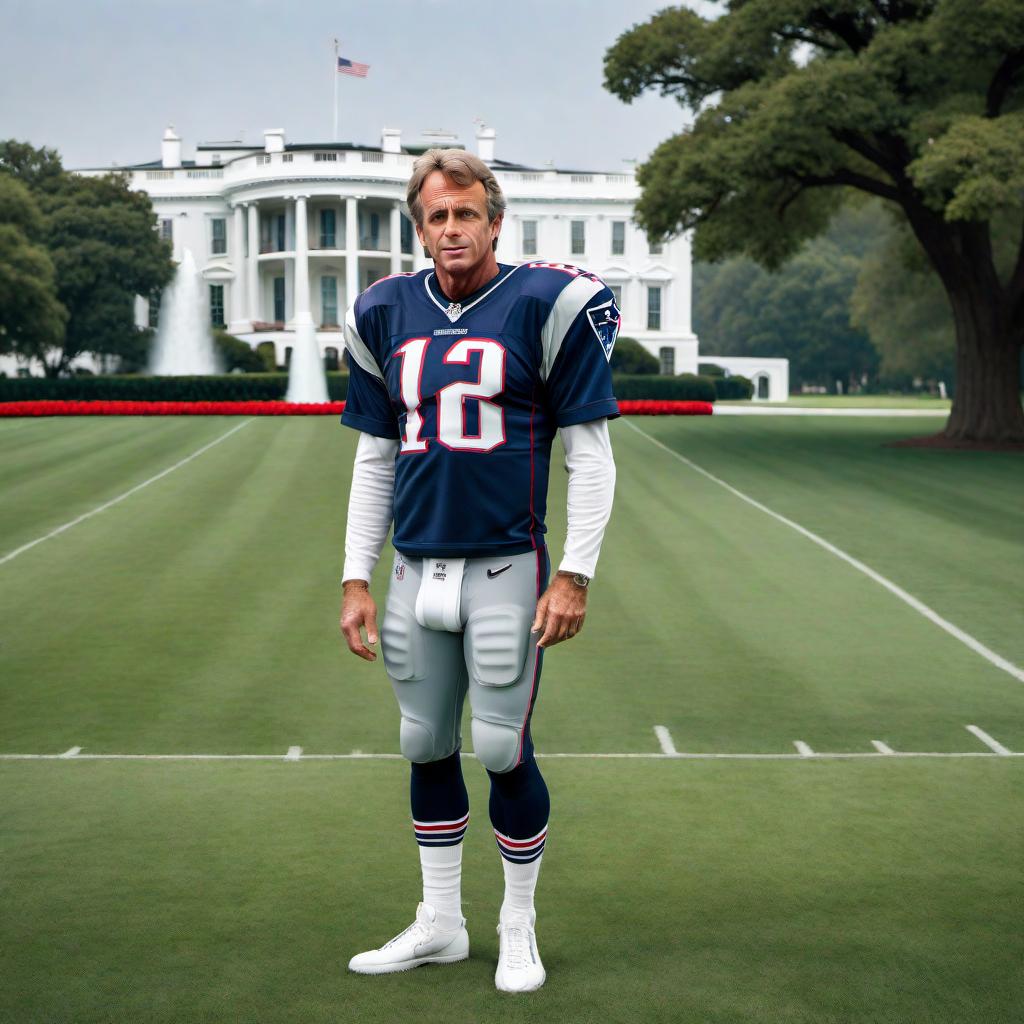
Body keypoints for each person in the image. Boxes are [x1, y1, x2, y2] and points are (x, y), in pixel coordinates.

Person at [338, 148, 618, 993]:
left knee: (500, 746)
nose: (451, 229)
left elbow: (592, 455)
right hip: (416, 562)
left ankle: (517, 922)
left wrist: (575, 572)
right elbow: (375, 458)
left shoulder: (541, 304)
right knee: (423, 742)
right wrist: (356, 574)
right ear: (418, 227)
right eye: (436, 216)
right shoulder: (386, 310)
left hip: (507, 559)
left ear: (496, 221)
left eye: (466, 213)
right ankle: (441, 922)